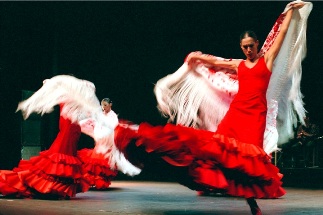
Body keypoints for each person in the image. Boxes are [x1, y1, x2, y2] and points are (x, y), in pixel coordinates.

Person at [115, 2, 311, 215]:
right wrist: (197, 57)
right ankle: (200, 176)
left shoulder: (267, 60)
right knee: (218, 150)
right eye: (244, 47)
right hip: (236, 114)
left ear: (257, 44)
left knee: (249, 161)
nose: (247, 50)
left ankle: (252, 203)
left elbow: (281, 33)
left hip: (256, 116)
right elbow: (215, 62)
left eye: (251, 46)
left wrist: (291, 10)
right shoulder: (239, 65)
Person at [77, 98, 119, 189]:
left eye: (105, 105)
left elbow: (112, 128)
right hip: (100, 140)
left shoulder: (113, 116)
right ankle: (93, 180)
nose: (103, 107)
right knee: (95, 160)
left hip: (107, 142)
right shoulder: (101, 115)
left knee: (102, 161)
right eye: (102, 105)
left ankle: (100, 180)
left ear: (110, 105)